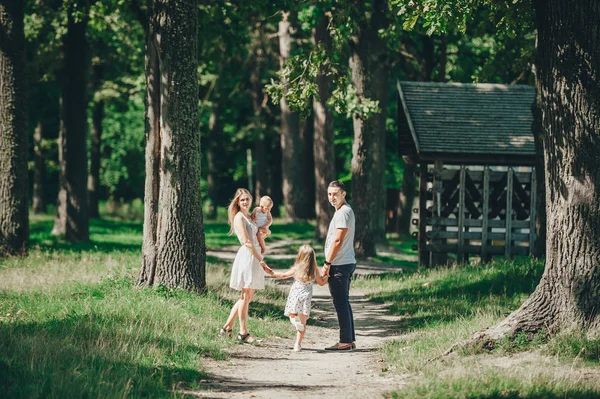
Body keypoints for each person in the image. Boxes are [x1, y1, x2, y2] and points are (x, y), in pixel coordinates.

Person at [219, 188, 268, 343]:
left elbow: (257, 235)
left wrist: (265, 234)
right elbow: (247, 242)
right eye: (242, 200)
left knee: (248, 296)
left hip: (255, 255)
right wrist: (260, 259)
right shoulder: (239, 218)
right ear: (238, 203)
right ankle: (243, 333)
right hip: (248, 256)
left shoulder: (250, 217)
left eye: (247, 199)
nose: (245, 202)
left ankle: (226, 328)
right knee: (245, 296)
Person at [262, 245, 328, 352]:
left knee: (292, 315)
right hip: (305, 298)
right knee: (303, 323)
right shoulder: (315, 270)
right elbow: (321, 283)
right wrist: (326, 277)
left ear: (300, 256)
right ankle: (297, 345)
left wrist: (271, 272)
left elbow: (283, 275)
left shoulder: (297, 268)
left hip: (295, 296)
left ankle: (294, 322)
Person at [322, 180, 356, 351]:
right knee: (344, 302)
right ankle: (349, 339)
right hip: (344, 262)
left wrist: (327, 263)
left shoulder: (343, 213)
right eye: (329, 194)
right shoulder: (344, 211)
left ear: (343, 194)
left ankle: (345, 341)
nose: (332, 197)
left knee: (340, 302)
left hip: (340, 263)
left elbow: (337, 240)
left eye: (335, 194)